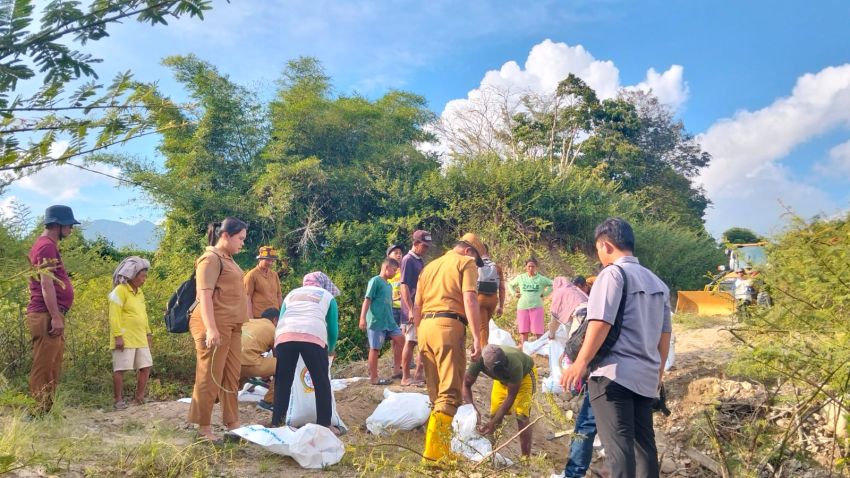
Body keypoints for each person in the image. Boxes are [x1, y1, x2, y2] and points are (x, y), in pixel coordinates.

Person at [561, 217, 672, 478]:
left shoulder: (612, 274)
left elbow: (600, 322)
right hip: (645, 377)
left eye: (598, 249)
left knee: (619, 448)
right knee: (644, 447)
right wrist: (658, 372)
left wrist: (580, 362)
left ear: (606, 245)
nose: (599, 255)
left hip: (613, 375)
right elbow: (664, 335)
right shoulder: (658, 283)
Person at [414, 232, 484, 463]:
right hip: (448, 325)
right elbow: (470, 299)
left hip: (425, 327)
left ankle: (439, 447)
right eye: (476, 257)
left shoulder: (430, 267)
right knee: (450, 393)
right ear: (468, 250)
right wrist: (477, 335)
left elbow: (417, 305)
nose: (477, 263)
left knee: (436, 394)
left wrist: (419, 338)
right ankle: (435, 456)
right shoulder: (466, 263)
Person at [188, 217, 250, 442]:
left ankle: (232, 423)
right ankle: (203, 427)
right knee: (210, 375)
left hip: (233, 326)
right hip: (215, 324)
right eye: (240, 238)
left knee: (231, 376)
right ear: (225, 235)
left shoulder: (230, 259)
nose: (243, 243)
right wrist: (212, 329)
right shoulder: (210, 258)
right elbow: (204, 294)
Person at [272, 272, 340, 434]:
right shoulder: (327, 295)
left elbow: (282, 318)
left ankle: (278, 423)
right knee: (320, 381)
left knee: (283, 381)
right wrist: (330, 348)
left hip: (284, 335)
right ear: (323, 284)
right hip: (313, 334)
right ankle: (324, 425)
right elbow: (332, 328)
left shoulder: (292, 294)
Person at [26, 205, 79, 415]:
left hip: (52, 314)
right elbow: (46, 285)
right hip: (46, 314)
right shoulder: (46, 246)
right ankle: (37, 411)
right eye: (69, 225)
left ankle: (47, 409)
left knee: (53, 364)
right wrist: (56, 317)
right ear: (58, 224)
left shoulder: (48, 245)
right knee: (44, 365)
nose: (71, 230)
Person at [462, 344, 537, 457]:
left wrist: (493, 423)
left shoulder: (514, 365)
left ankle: (525, 459)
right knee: (494, 414)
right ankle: (490, 454)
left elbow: (511, 397)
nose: (502, 371)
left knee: (522, 416)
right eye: (498, 370)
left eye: (503, 367)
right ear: (486, 367)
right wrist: (473, 410)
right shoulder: (478, 361)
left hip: (524, 376)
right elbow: (465, 385)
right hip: (501, 381)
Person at [108, 256, 153, 410]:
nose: (144, 279)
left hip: (140, 336)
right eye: (142, 276)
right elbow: (114, 315)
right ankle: (118, 400)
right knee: (121, 369)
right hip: (125, 337)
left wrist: (148, 333)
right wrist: (118, 336)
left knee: (146, 366)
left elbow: (143, 314)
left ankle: (139, 398)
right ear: (133, 275)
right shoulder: (119, 290)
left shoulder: (140, 293)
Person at [360, 258, 404, 385]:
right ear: (386, 268)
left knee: (401, 339)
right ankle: (374, 378)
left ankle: (396, 370)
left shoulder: (388, 285)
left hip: (389, 321)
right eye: (394, 270)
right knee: (375, 348)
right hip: (376, 321)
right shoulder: (375, 281)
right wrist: (362, 318)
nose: (395, 273)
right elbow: (367, 300)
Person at [400, 230, 432, 386]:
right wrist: (410, 309)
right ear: (415, 243)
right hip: (412, 308)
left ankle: (419, 374)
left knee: (422, 341)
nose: (426, 249)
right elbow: (404, 285)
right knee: (411, 341)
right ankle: (405, 376)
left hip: (421, 306)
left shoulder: (419, 260)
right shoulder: (408, 260)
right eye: (424, 246)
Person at [241, 307, 279, 412]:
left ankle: (219, 398)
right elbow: (278, 356)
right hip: (250, 364)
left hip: (231, 364)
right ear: (275, 320)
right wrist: (268, 373)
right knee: (285, 365)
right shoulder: (274, 329)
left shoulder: (248, 322)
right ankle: (269, 402)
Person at [509, 258, 554, 346]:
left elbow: (553, 284)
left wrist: (544, 293)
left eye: (533, 266)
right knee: (523, 331)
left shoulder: (541, 279)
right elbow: (510, 285)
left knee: (538, 331)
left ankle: (540, 350)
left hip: (537, 307)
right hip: (522, 307)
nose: (530, 268)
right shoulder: (521, 278)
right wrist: (514, 293)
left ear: (536, 267)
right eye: (529, 266)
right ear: (526, 267)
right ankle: (524, 350)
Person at [476, 244, 505, 347]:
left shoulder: (473, 265)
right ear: (488, 252)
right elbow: (501, 288)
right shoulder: (496, 267)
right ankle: (478, 347)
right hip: (493, 299)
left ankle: (483, 352)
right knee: (485, 325)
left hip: (479, 298)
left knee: (482, 327)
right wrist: (501, 306)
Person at [244, 246, 283, 319]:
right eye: (267, 260)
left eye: (272, 261)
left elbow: (279, 294)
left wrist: (283, 313)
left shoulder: (274, 274)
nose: (270, 263)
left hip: (275, 316)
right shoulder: (251, 275)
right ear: (260, 259)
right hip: (259, 316)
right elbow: (247, 297)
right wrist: (250, 318)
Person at [547, 276, 589, 340]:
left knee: (573, 342)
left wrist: (551, 334)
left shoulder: (559, 293)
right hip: (592, 312)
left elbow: (555, 318)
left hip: (581, 313)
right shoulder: (574, 289)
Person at [386, 244, 404, 328]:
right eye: (396, 253)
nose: (399, 255)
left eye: (400, 253)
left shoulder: (405, 268)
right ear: (389, 256)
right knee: (393, 335)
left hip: (405, 308)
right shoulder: (386, 271)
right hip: (392, 308)